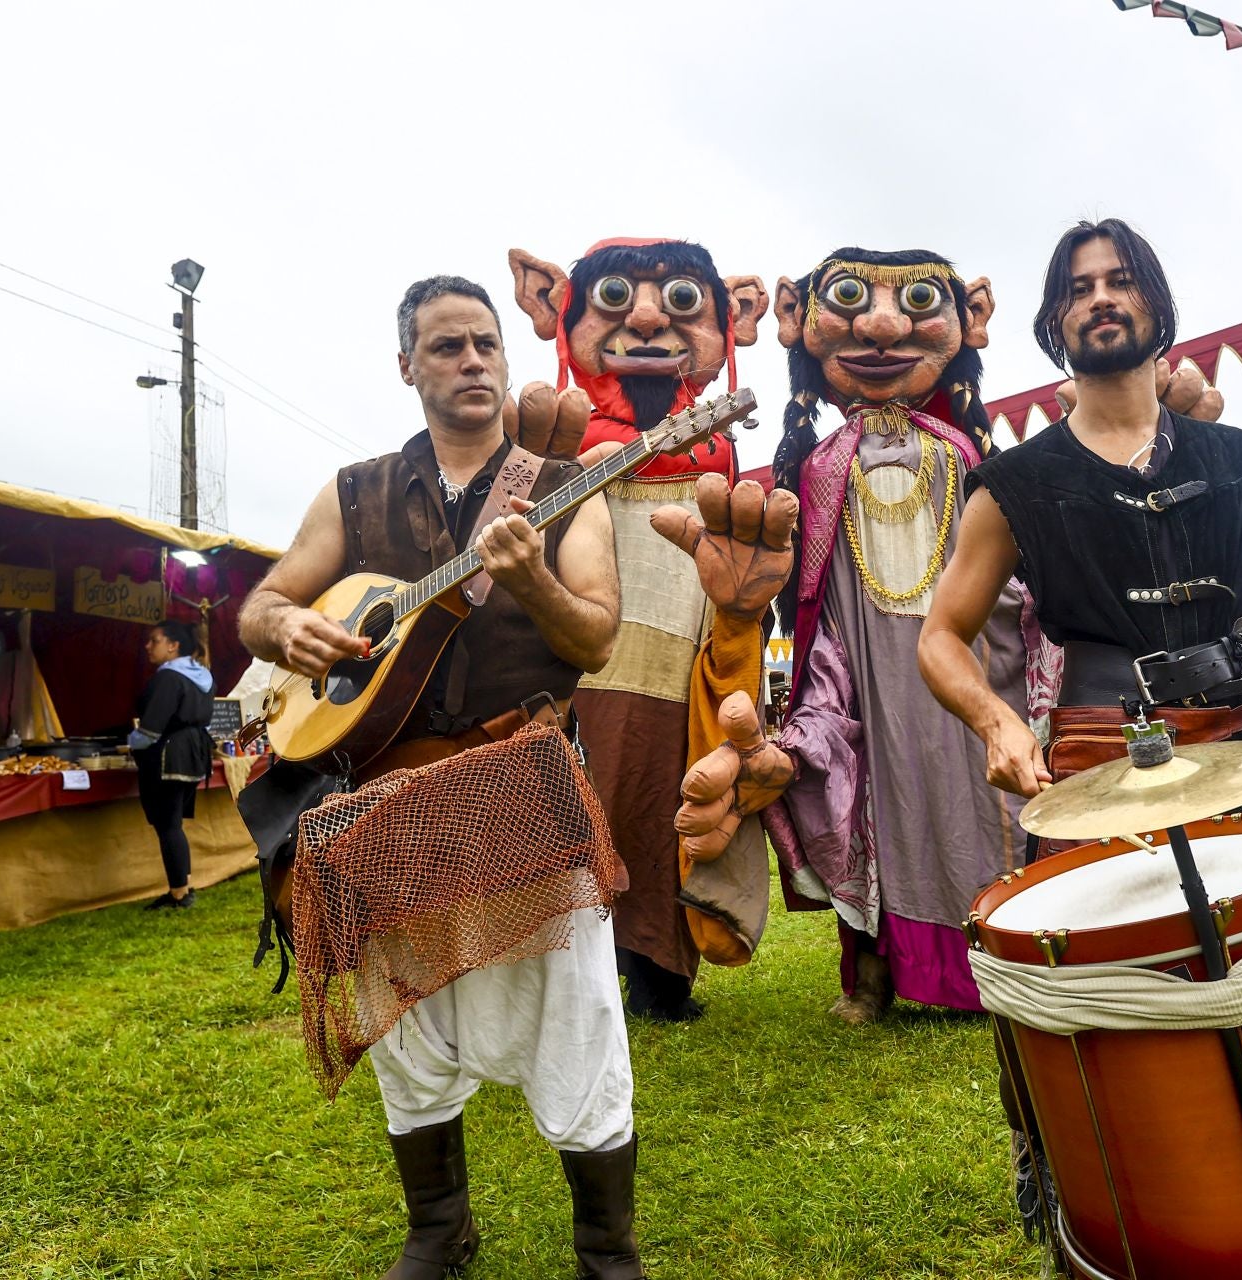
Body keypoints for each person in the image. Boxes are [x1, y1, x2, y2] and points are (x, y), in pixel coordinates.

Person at [671, 247, 1224, 1024]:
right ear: (800, 320)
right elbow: (817, 602)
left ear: (971, 319)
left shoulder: (971, 456)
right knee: (872, 805)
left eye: (917, 301)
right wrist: (818, 698)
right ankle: (871, 973)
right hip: (871, 675)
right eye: (853, 300)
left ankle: (1010, 955)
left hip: (977, 666)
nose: (884, 326)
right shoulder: (822, 467)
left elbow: (1021, 572)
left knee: (993, 814)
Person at [236, 275, 644, 1280]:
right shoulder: (355, 490)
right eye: (447, 345)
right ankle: (437, 1229)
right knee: (403, 1016)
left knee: (578, 1010)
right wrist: (285, 625)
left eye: (485, 343)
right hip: (383, 796)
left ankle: (606, 1247)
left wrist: (533, 577)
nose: (471, 360)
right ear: (408, 365)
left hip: (522, 781)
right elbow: (261, 602)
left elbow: (594, 634)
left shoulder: (563, 482)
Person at [919, 214, 1242, 800]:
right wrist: (996, 723)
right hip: (1101, 749)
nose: (1102, 299)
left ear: (1157, 305)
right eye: (1080, 289)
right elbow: (941, 635)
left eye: (1121, 281)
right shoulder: (1014, 484)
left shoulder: (1235, 457)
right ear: (1055, 324)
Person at [505, 239, 792, 1021]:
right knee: (568, 811)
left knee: (669, 807)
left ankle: (660, 973)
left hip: (681, 659)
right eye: (614, 299)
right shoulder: (548, 446)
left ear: (734, 316)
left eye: (682, 303)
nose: (643, 319)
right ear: (548, 303)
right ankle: (559, 976)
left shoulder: (717, 447)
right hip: (568, 659)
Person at [130, 619, 215, 910]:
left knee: (168, 825)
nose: (148, 646)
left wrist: (129, 742)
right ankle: (182, 886)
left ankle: (179, 893)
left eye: (154, 640)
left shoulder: (168, 678)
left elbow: (151, 730)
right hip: (193, 753)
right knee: (173, 824)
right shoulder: (203, 675)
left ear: (172, 645)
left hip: (169, 754)